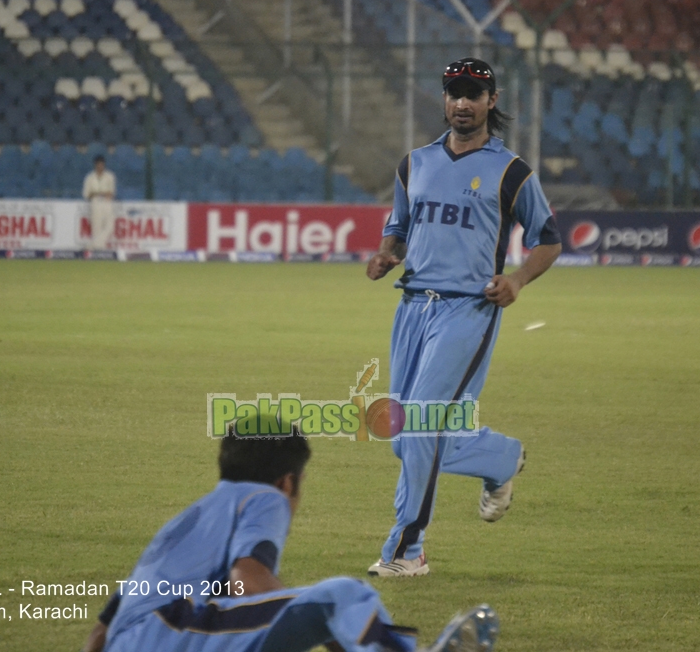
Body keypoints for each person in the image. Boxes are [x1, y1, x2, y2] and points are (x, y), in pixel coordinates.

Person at [364, 57, 562, 577]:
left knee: (421, 425)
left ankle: (406, 551)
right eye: (454, 92)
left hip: (467, 310)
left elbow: (548, 239)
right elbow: (399, 225)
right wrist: (388, 254)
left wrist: (515, 281)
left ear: (491, 101)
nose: (462, 102)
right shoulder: (416, 163)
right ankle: (497, 457)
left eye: (473, 93)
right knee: (403, 434)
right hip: (412, 309)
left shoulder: (512, 171)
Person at [81, 429, 501, 652]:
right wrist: (301, 612)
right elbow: (247, 575)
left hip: (140, 637)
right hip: (173, 633)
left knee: (325, 618)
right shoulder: (263, 496)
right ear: (288, 481)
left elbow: (103, 628)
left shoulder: (182, 524)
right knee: (342, 598)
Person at [82, 155, 116, 251]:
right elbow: (86, 194)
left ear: (104, 165)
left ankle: (92, 245)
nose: (100, 166)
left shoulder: (110, 176)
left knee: (110, 226)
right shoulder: (89, 177)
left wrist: (97, 193)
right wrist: (100, 193)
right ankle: (100, 249)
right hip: (95, 203)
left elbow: (111, 193)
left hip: (107, 203)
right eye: (98, 165)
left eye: (102, 165)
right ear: (95, 165)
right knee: (96, 228)